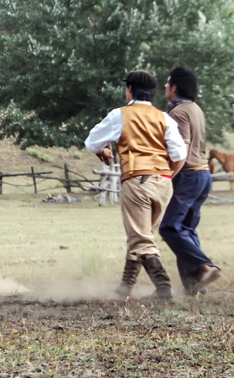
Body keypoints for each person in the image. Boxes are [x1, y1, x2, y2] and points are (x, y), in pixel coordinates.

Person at [84, 70, 187, 299]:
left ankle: (163, 288)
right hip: (164, 183)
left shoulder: (120, 115)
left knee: (141, 239)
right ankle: (125, 287)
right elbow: (180, 155)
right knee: (142, 236)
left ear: (129, 89)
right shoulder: (164, 118)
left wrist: (102, 149)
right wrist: (168, 175)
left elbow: (91, 142)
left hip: (137, 180)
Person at [159, 67, 221, 295]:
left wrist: (168, 176)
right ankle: (195, 286)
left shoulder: (178, 112)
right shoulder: (195, 109)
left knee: (169, 227)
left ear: (175, 87)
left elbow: (182, 149)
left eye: (167, 83)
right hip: (203, 175)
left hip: (188, 175)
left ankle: (205, 266)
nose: (165, 86)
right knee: (186, 228)